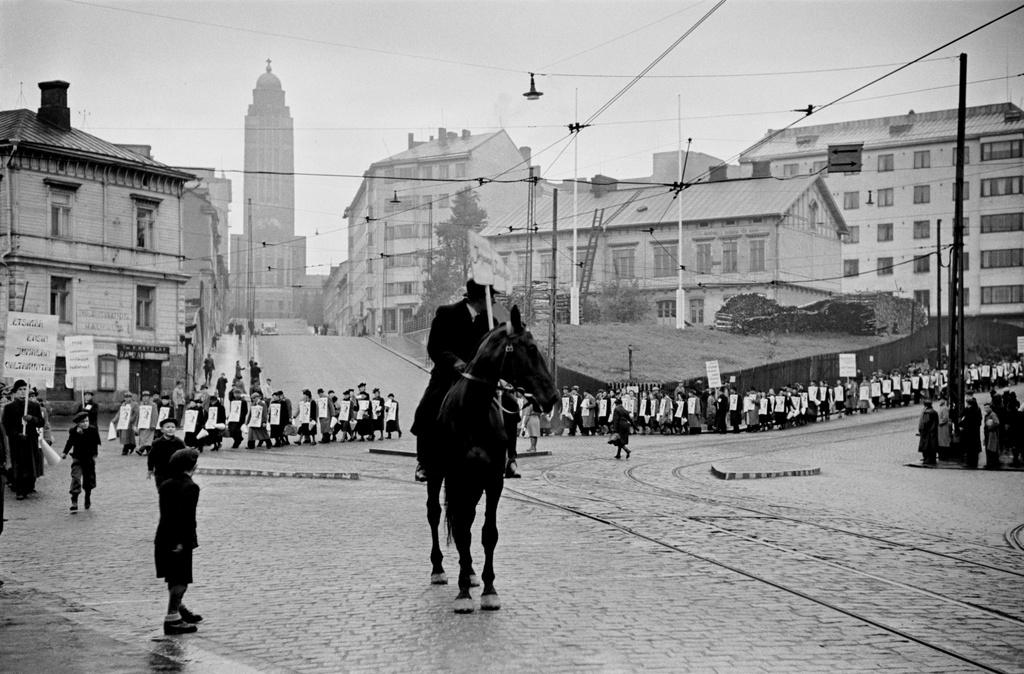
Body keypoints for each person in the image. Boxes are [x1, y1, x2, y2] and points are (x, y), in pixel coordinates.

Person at [411, 280, 497, 482]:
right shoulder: (447, 313)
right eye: (491, 296)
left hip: (478, 380)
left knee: (508, 407)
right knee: (426, 408)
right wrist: (455, 361)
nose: (494, 300)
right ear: (479, 297)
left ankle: (508, 458)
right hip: (447, 376)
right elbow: (434, 346)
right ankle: (424, 461)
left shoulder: (490, 321)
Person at [154, 448, 203, 635]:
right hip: (179, 539)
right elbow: (186, 518)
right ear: (192, 467)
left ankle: (180, 609)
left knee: (172, 577)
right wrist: (183, 541)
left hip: (163, 536)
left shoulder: (166, 484)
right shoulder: (191, 487)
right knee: (181, 580)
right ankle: (172, 617)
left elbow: (168, 514)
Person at [2, 380, 45, 499]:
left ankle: (28, 486)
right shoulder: (9, 407)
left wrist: (32, 419)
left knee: (30, 463)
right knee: (18, 464)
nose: (22, 392)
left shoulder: (34, 406)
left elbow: (41, 423)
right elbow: (5, 424)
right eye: (20, 390)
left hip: (30, 439)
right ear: (15, 392)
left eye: (24, 389)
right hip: (16, 439)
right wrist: (16, 434)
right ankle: (19, 490)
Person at [62, 411, 101, 512]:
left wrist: (82, 435)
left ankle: (87, 496)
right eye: (83, 422)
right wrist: (65, 452)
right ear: (78, 423)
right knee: (76, 478)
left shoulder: (92, 430)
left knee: (88, 481)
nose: (85, 423)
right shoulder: (74, 431)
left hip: (88, 459)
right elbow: (70, 442)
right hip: (77, 458)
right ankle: (74, 500)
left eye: (87, 421)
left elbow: (93, 443)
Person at [148, 418, 186, 488]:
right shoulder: (157, 442)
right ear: (162, 430)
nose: (170, 429)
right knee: (162, 490)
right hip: (160, 472)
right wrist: (150, 469)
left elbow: (185, 456)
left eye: (173, 427)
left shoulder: (179, 442)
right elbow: (151, 456)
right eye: (168, 427)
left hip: (175, 472)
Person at [961, 394, 983, 469]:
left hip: (969, 431)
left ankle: (970, 462)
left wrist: (961, 425)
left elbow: (964, 419)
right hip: (975, 431)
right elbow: (980, 420)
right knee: (974, 447)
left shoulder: (969, 411)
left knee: (969, 447)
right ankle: (974, 462)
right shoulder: (977, 409)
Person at [137, 391, 159, 456]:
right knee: (143, 438)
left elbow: (155, 415)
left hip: (149, 425)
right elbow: (138, 415)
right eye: (143, 396)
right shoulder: (141, 405)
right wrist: (137, 424)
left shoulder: (153, 405)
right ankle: (147, 451)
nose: (145, 398)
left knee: (148, 438)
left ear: (149, 397)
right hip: (142, 424)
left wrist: (153, 424)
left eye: (146, 396)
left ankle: (145, 451)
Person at [917, 399, 939, 465]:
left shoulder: (927, 412)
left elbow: (926, 422)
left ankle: (928, 459)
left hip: (928, 432)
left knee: (927, 446)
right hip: (933, 431)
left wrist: (922, 430)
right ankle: (932, 459)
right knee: (932, 446)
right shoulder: (934, 411)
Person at [983, 401, 1001, 470]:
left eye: (987, 408)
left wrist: (990, 427)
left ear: (991, 408)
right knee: (989, 448)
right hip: (988, 433)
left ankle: (991, 464)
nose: (986, 409)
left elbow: (997, 422)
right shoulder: (987, 415)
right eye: (985, 408)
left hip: (992, 434)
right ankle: (990, 463)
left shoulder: (993, 414)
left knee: (992, 448)